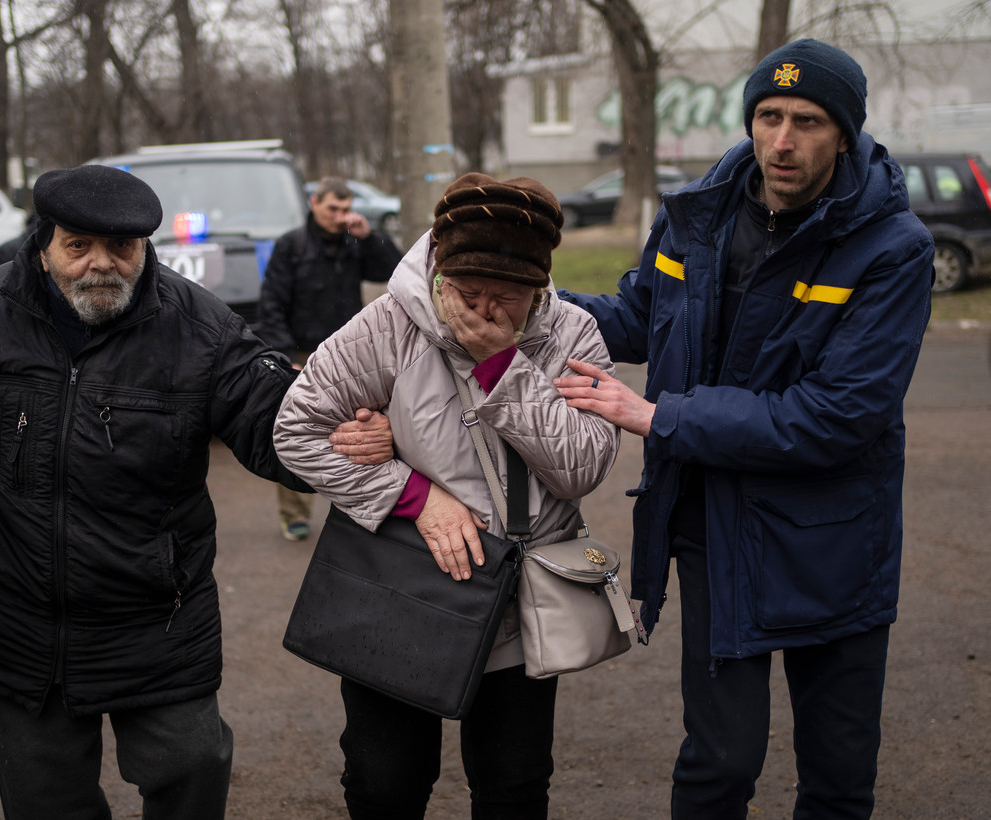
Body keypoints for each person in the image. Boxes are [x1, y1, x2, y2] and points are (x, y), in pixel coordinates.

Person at [0, 164, 390, 819]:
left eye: (122, 249)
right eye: (78, 247)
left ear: (145, 247)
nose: (101, 265)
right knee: (49, 805)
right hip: (14, 618)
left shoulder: (201, 329)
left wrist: (342, 436)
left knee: (192, 768)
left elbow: (269, 418)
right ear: (42, 245)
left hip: (158, 613)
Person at [553, 39, 934, 819]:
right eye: (768, 116)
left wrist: (661, 417)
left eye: (806, 121)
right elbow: (638, 321)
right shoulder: (698, 214)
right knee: (720, 763)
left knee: (837, 773)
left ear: (847, 132)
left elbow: (838, 416)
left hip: (833, 539)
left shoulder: (893, 249)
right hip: (714, 520)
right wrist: (532, 299)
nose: (782, 141)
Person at [274, 173, 621, 818]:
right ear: (438, 270)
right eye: (467, 292)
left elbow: (581, 466)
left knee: (514, 785)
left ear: (540, 287)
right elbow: (296, 430)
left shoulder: (572, 335)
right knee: (386, 783)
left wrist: (501, 368)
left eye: (508, 296)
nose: (484, 311)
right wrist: (410, 493)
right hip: (399, 587)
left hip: (520, 598)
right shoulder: (387, 325)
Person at [255, 176, 402, 541]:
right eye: (332, 208)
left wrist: (369, 237)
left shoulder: (354, 241)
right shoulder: (292, 245)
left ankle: (357, 511)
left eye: (345, 209)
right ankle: (294, 514)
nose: (339, 216)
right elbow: (272, 303)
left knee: (360, 434)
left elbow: (395, 271)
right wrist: (285, 357)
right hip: (303, 354)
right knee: (298, 431)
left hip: (351, 356)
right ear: (314, 204)